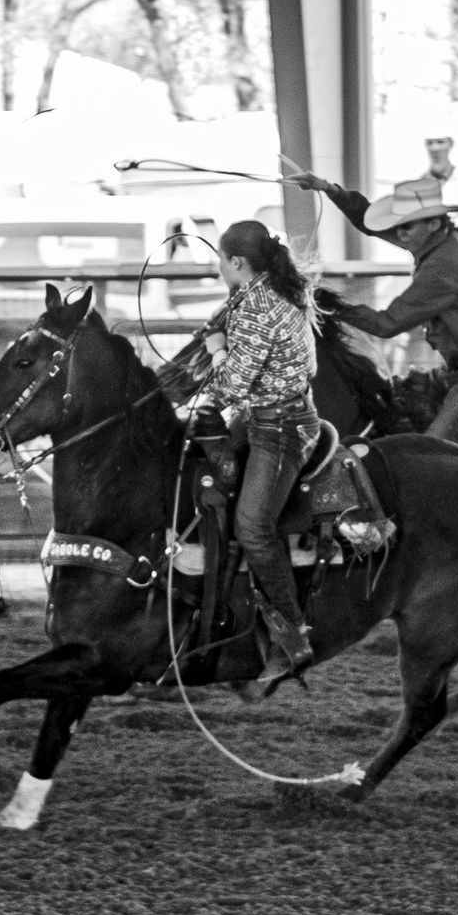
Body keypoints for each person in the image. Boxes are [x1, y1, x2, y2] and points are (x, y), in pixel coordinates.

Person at [282, 173, 458, 450]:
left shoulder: (445, 266)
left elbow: (387, 324)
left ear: (432, 222)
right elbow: (370, 224)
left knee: (427, 454)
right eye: (398, 226)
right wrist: (330, 189)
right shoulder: (439, 238)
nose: (400, 234)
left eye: (406, 227)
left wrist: (329, 306)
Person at [196, 219, 320, 682]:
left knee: (252, 524)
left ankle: (294, 632)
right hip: (275, 417)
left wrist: (214, 349)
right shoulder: (275, 292)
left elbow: (232, 384)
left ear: (236, 262)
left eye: (221, 260)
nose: (219, 267)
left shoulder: (253, 307)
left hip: (278, 428)